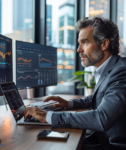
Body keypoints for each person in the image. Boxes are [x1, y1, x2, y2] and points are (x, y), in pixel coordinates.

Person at [24, 16, 126, 150]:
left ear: (104, 44)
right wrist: (68, 103)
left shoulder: (121, 71)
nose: (79, 49)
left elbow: (102, 117)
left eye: (84, 42)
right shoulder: (111, 68)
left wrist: (47, 116)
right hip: (102, 139)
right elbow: (99, 97)